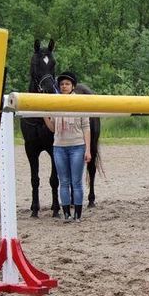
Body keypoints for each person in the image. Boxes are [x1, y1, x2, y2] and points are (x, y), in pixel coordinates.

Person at [44, 71, 91, 223]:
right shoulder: (54, 103)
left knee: (76, 182)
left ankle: (77, 214)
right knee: (63, 182)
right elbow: (52, 128)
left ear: (73, 86)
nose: (64, 86)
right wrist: (44, 114)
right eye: (62, 84)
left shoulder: (80, 102)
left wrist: (88, 149)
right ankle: (66, 214)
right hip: (59, 147)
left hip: (77, 146)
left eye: (67, 84)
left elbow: (86, 127)